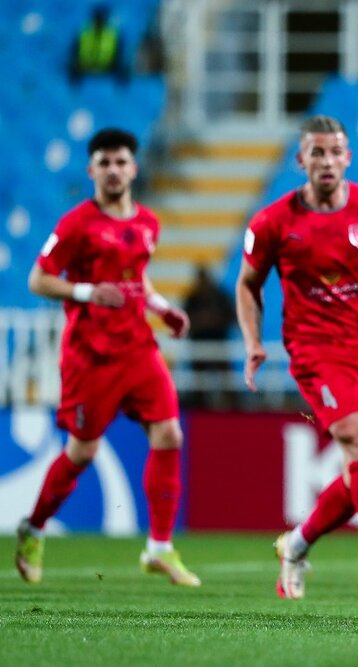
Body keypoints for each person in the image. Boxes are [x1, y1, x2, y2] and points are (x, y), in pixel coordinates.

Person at [236, 115, 358, 601]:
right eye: (316, 152)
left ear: (348, 158)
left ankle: (296, 545)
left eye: (335, 152)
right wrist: (252, 342)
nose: (325, 161)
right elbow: (247, 284)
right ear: (300, 159)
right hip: (314, 353)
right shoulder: (273, 222)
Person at [16, 128, 198, 587]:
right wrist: (84, 291)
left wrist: (162, 309)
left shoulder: (148, 223)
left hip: (138, 348)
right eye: (105, 163)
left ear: (133, 168)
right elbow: (38, 280)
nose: (114, 170)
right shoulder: (77, 224)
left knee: (170, 433)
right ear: (91, 170)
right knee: (82, 450)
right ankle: (33, 528)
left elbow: (138, 280)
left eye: (121, 162)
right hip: (90, 356)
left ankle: (159, 547)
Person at [182, 264, 236, 408]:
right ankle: (200, 407)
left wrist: (214, 320)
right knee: (199, 381)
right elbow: (184, 322)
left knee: (226, 380)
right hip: (199, 346)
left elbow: (232, 318)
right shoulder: (192, 299)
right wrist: (202, 321)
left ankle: (232, 406)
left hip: (219, 345)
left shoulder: (221, 297)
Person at [69, 4, 128, 84]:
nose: (100, 22)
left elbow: (119, 55)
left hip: (107, 67)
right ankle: (73, 93)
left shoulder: (114, 35)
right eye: (98, 18)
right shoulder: (83, 33)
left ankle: (120, 93)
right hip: (86, 66)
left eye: (102, 19)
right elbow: (74, 52)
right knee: (72, 68)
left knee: (124, 69)